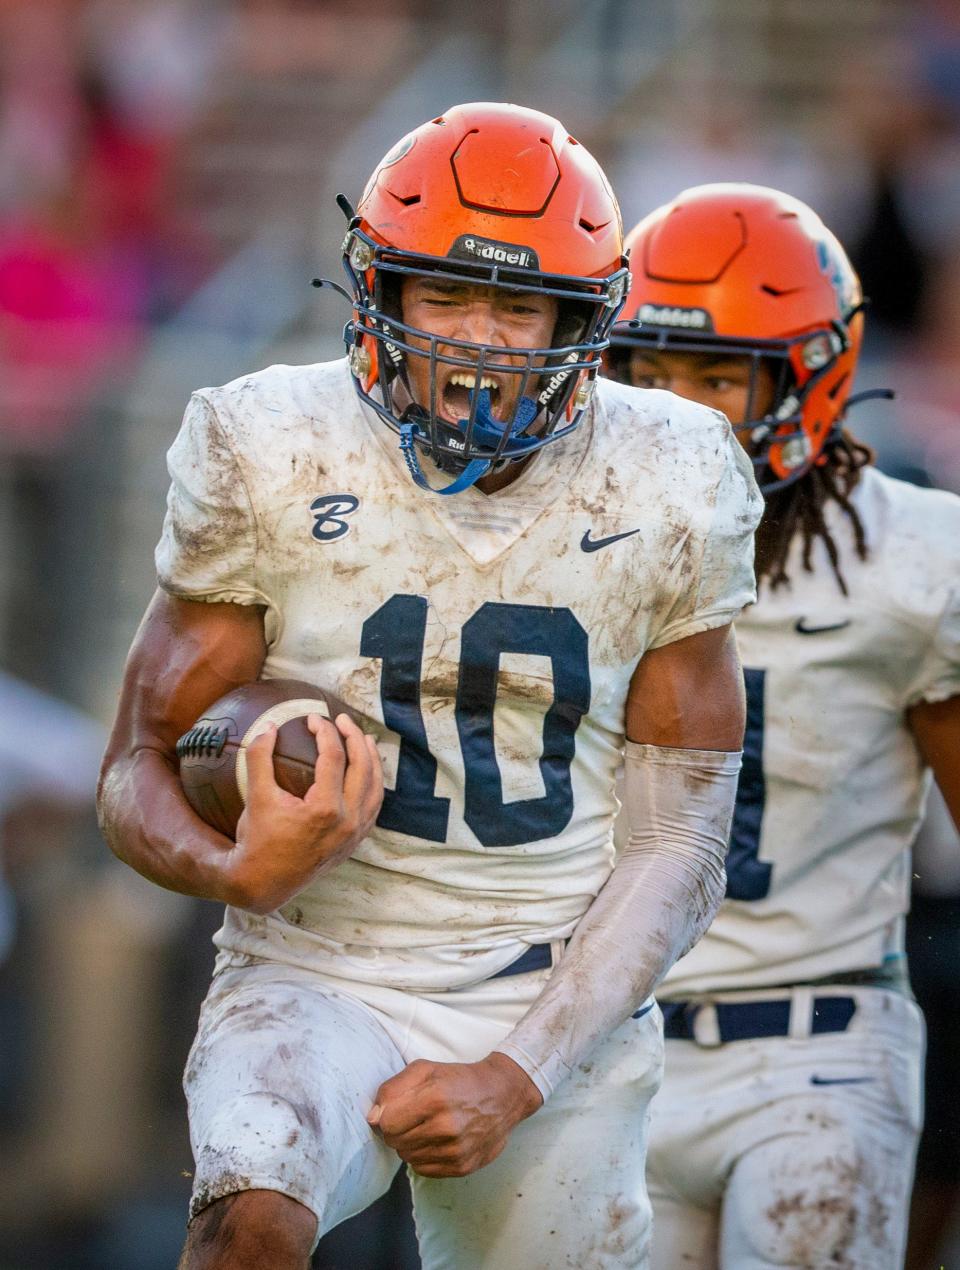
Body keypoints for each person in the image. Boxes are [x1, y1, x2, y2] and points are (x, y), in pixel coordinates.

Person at [97, 105, 763, 1270]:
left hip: (551, 976)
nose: (480, 338)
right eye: (446, 294)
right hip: (314, 960)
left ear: (579, 319)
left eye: (518, 304)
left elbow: (685, 840)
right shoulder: (270, 445)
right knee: (245, 1223)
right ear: (385, 296)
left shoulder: (674, 473)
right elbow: (135, 763)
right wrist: (228, 866)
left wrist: (520, 1072)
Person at [607, 182, 960, 1269]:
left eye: (719, 374)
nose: (678, 408)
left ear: (809, 375)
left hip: (821, 1041)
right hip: (605, 1039)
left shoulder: (908, 556)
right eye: (651, 369)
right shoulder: (563, 540)